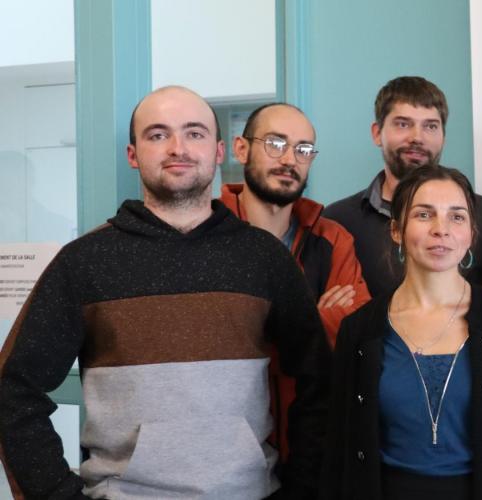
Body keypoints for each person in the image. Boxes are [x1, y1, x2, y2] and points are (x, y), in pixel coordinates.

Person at [0, 86, 329, 499]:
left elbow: (320, 381)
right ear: (133, 154)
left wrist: (302, 489)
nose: (179, 148)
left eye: (195, 133)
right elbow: (13, 387)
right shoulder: (84, 262)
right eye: (158, 135)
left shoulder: (263, 258)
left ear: (219, 150)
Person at [320, 166, 482, 499]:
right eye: (424, 215)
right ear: (397, 230)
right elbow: (338, 452)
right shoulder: (359, 330)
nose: (441, 229)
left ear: (471, 232)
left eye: (456, 217)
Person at [219, 102, 371, 463]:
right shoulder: (207, 235)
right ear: (242, 148)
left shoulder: (333, 238)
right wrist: (313, 319)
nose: (290, 159)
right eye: (275, 143)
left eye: (303, 149)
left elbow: (359, 334)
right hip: (227, 454)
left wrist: (266, 328)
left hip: (311, 448)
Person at [324, 76, 482, 297]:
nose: (417, 137)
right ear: (377, 133)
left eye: (430, 126)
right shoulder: (337, 221)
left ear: (443, 136)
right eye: (403, 124)